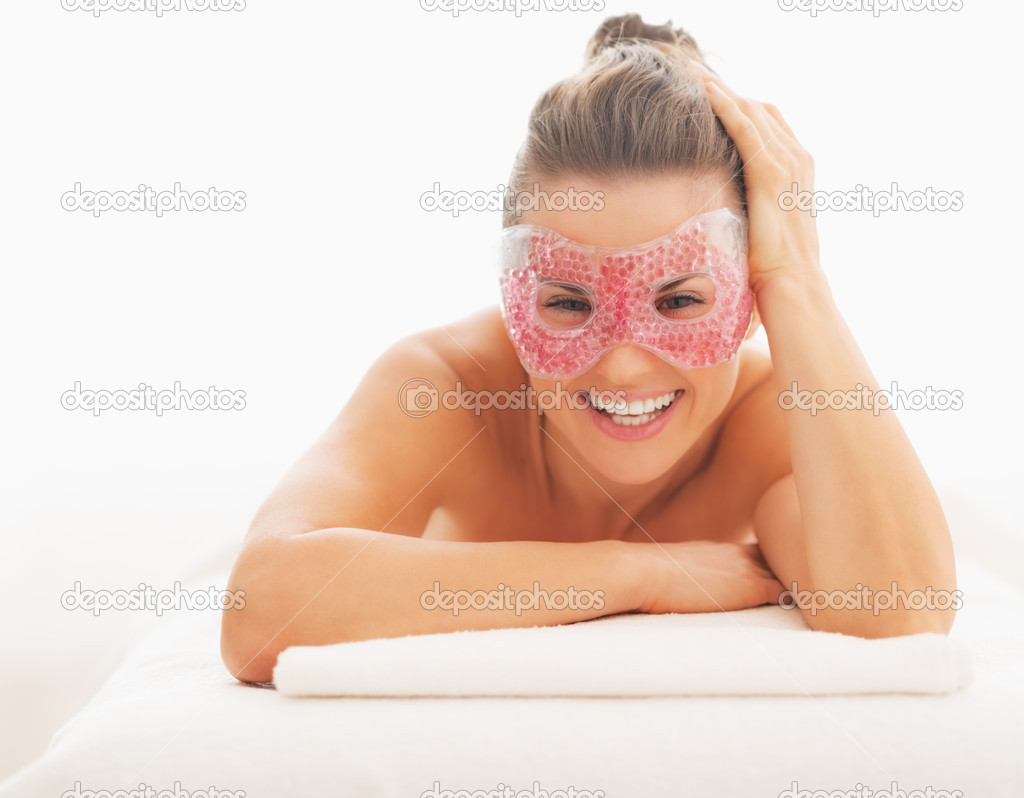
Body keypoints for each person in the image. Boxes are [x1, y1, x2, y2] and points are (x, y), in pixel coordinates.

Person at [221, 14, 956, 684]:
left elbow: (900, 611)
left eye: (681, 300)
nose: (624, 364)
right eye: (569, 304)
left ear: (750, 300)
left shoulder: (776, 421)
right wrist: (638, 574)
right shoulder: (447, 386)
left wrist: (798, 276)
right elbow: (263, 607)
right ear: (514, 295)